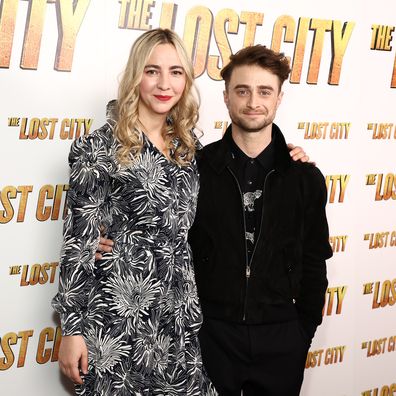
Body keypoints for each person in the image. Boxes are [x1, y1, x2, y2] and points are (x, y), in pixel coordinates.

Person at [52, 28, 217, 395]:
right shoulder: (98, 147)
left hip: (177, 315)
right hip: (118, 317)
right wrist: (73, 329)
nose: (164, 83)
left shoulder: (187, 148)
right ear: (135, 76)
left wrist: (292, 157)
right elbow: (79, 244)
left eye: (176, 72)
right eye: (152, 70)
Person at [187, 45, 333, 395]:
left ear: (279, 97)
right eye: (243, 90)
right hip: (211, 334)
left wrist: (302, 331)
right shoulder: (195, 170)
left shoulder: (305, 178)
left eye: (264, 91)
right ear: (225, 97)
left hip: (282, 337)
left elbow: (315, 261)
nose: (253, 101)